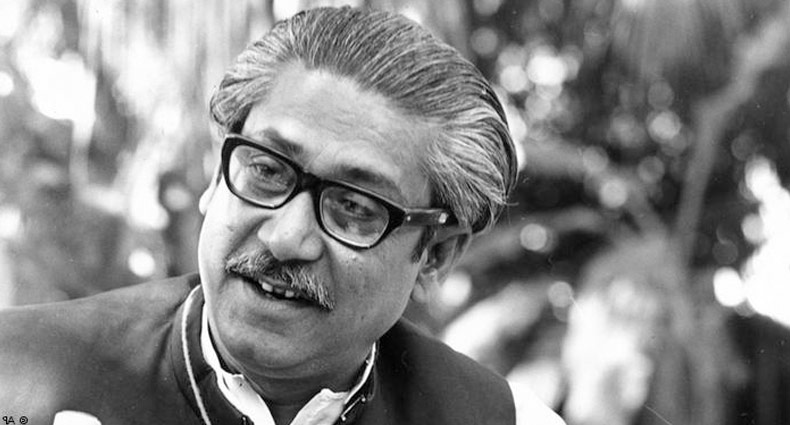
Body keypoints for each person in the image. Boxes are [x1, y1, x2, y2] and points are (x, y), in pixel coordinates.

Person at [0, 6, 565, 425]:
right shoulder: (17, 377)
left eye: (354, 207)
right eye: (267, 171)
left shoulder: (504, 420)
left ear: (435, 255)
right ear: (217, 178)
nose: (287, 237)